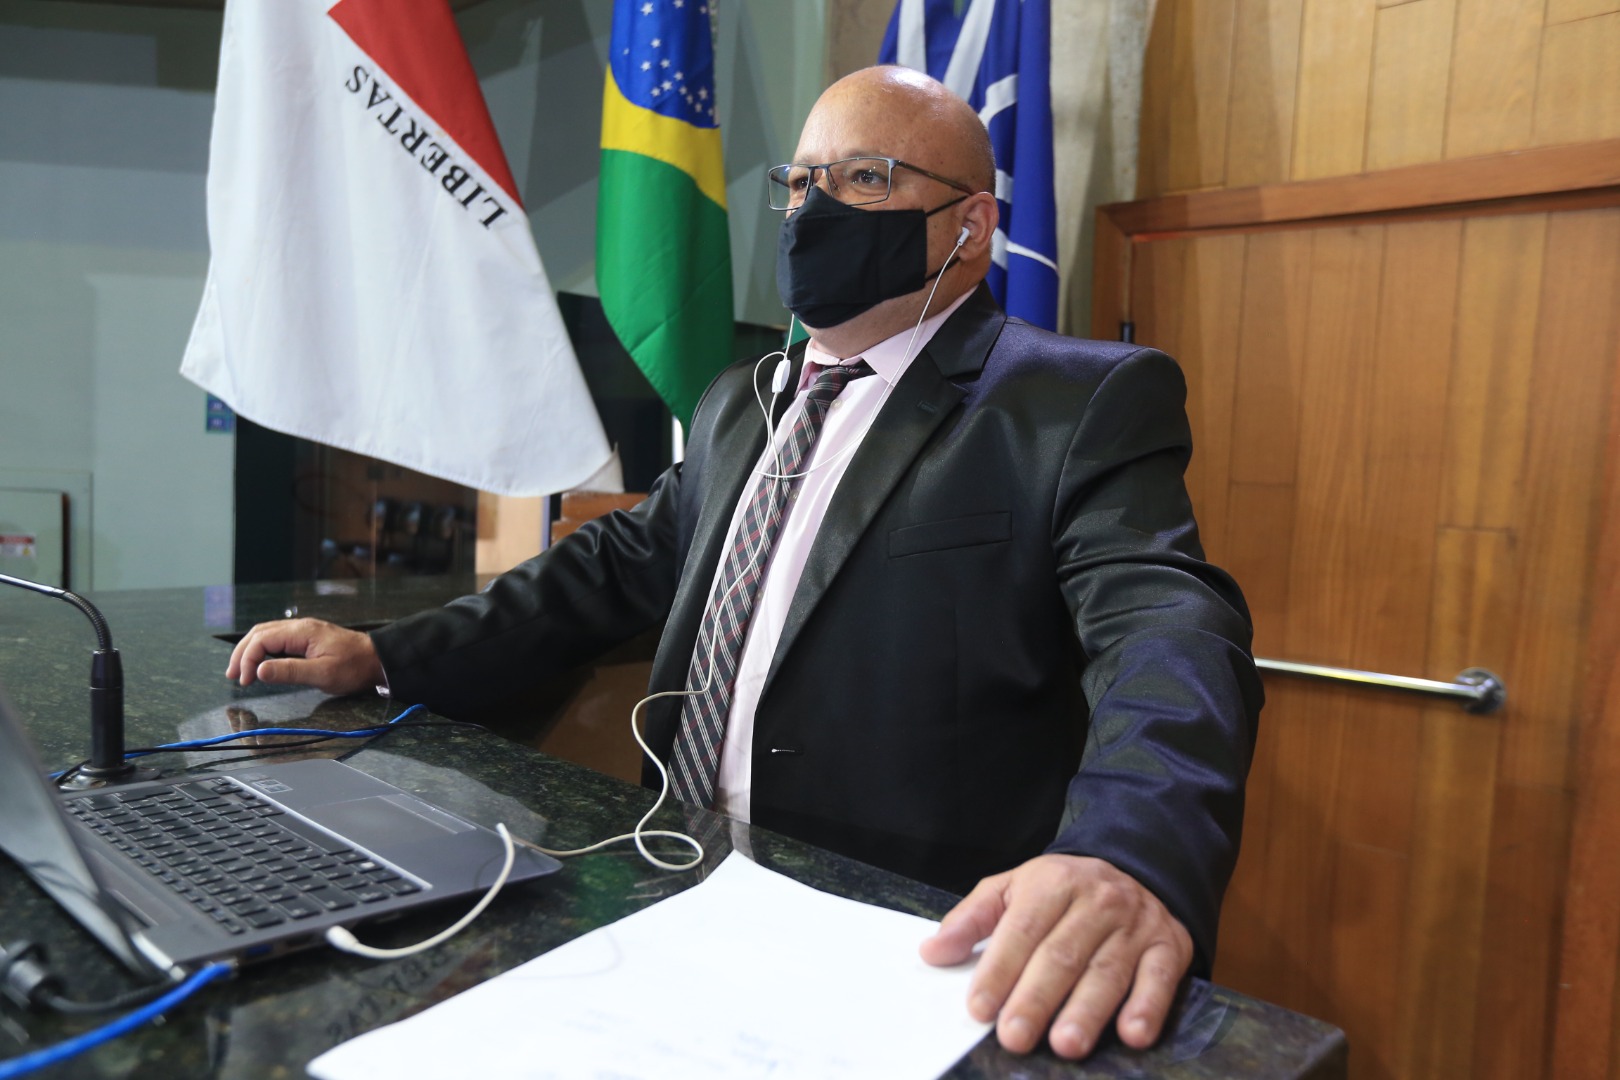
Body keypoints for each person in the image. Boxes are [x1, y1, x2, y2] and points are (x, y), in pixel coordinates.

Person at [227, 66, 1261, 1061]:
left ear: (972, 224)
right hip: (678, 889)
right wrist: (387, 654)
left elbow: (1167, 629)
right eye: (801, 182)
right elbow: (613, 567)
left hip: (904, 942)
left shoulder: (1072, 402)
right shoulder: (742, 400)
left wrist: (1126, 850)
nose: (815, 209)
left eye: (866, 178)